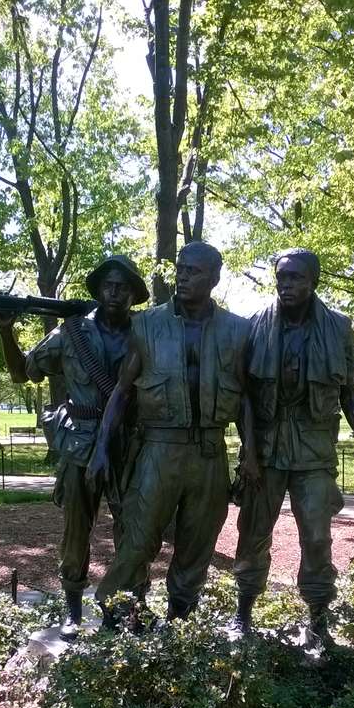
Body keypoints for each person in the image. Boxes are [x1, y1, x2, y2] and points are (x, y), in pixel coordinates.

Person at [86, 240, 258, 623]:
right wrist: (101, 448)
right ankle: (117, 616)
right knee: (137, 540)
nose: (182, 276)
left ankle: (180, 625)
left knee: (197, 547)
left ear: (213, 278)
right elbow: (122, 392)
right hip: (158, 451)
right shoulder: (146, 324)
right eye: (180, 269)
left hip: (211, 454)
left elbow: (246, 397)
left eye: (193, 271)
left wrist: (251, 454)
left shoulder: (238, 330)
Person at [0, 255, 150, 637]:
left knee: (134, 531)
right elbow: (20, 373)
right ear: (97, 290)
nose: (115, 292)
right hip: (80, 443)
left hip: (130, 445)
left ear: (133, 294)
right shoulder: (71, 334)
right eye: (108, 285)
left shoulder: (147, 334)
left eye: (123, 286)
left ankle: (129, 606)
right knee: (76, 531)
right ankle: (73, 611)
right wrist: (5, 331)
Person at [232, 248, 354, 640]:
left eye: (296, 278)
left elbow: (350, 394)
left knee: (317, 536)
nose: (287, 285)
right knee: (253, 532)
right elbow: (243, 395)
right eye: (281, 278)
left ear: (313, 280)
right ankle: (242, 616)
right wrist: (247, 452)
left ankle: (318, 622)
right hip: (264, 450)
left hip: (315, 449)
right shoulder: (253, 326)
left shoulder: (338, 327)